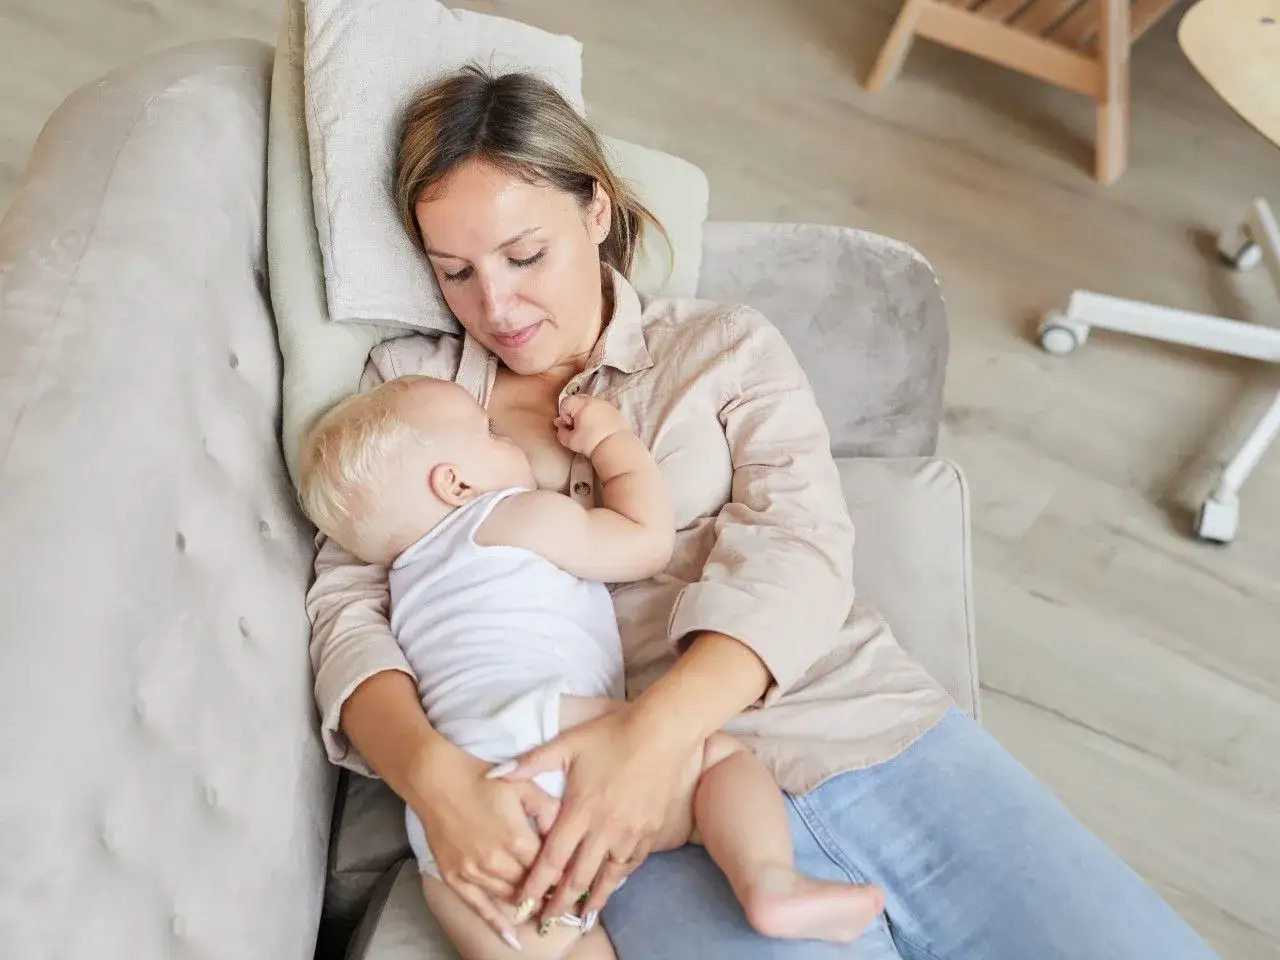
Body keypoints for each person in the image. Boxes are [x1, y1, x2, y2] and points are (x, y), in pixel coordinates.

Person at [305, 64, 1221, 958]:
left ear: (596, 210)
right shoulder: (410, 396)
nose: (494, 306)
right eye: (455, 272)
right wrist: (434, 779)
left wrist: (654, 736)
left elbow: (800, 547)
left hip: (848, 723)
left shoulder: (721, 348)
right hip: (619, 824)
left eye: (525, 255)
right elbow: (349, 606)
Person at [297, 375, 886, 957]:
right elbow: (643, 541)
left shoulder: (406, 586)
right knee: (720, 761)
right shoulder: (507, 516)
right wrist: (612, 446)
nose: (509, 438)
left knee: (551, 941)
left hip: (456, 804)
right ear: (456, 484)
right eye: (491, 432)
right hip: (545, 725)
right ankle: (769, 882)